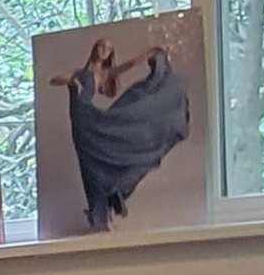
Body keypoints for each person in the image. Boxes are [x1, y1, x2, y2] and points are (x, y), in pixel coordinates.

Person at [62, 34, 193, 229]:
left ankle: (103, 212)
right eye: (101, 47)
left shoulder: (104, 73)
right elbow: (57, 80)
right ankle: (99, 213)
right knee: (88, 166)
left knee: (98, 162)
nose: (104, 51)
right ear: (96, 49)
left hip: (90, 119)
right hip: (80, 122)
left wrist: (149, 54)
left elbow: (129, 65)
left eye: (107, 49)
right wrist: (71, 81)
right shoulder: (81, 73)